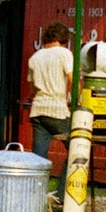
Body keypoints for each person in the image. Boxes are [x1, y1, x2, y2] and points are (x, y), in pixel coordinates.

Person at [26, 21, 74, 161]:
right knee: (77, 149)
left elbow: (32, 88)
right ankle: (64, 183)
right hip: (56, 111)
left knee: (38, 159)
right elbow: (73, 79)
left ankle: (37, 183)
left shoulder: (35, 57)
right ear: (64, 40)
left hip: (38, 111)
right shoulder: (64, 54)